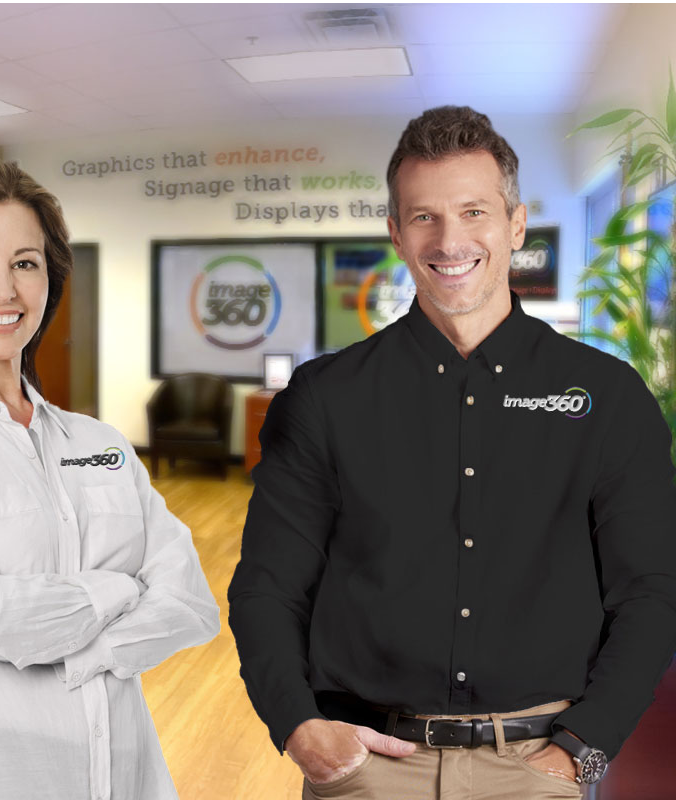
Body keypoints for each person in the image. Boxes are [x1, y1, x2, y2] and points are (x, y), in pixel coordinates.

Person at [228, 105, 676, 799]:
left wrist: (585, 750)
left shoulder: (607, 395)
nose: (449, 240)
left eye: (474, 212)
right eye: (424, 217)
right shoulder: (323, 398)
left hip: (537, 767)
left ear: (515, 225)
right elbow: (267, 586)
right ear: (396, 234)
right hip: (369, 768)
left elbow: (652, 589)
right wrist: (297, 725)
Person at [0, 157, 219, 800]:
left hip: (129, 773)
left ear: (49, 282)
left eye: (24, 263)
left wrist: (90, 649)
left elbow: (191, 604)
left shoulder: (101, 445)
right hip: (2, 772)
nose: (4, 290)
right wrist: (117, 590)